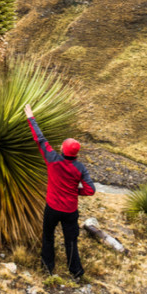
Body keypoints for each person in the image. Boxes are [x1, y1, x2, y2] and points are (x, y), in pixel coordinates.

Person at [24, 103, 96, 279]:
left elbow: (40, 139)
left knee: (48, 236)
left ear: (63, 150)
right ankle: (76, 272)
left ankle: (47, 268)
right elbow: (91, 190)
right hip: (70, 211)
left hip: (53, 208)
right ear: (76, 154)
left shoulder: (52, 159)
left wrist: (30, 117)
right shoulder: (80, 168)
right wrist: (75, 192)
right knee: (71, 240)